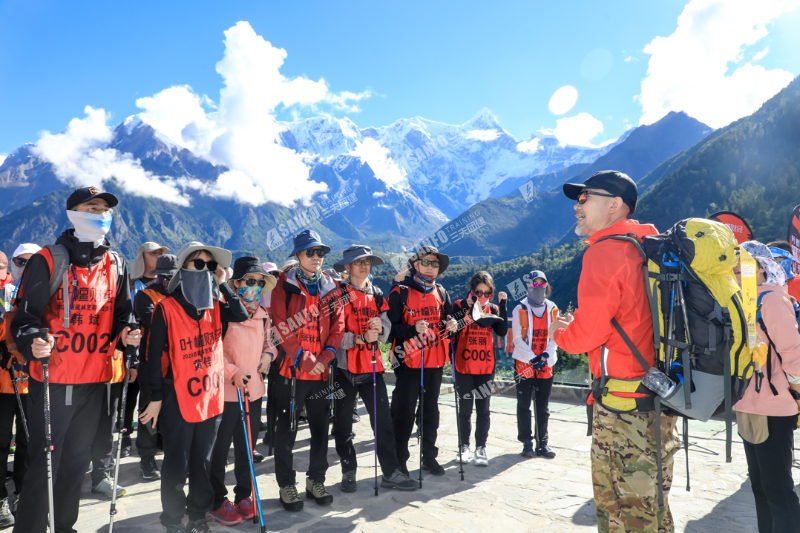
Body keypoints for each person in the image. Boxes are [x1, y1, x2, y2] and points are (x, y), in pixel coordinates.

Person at [549, 171, 678, 533]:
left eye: (585, 197)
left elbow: (586, 335)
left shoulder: (605, 251)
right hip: (659, 398)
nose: (578, 205)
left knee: (622, 511)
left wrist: (561, 333)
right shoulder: (646, 244)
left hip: (623, 409)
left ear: (614, 205)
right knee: (654, 506)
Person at [10, 186, 141, 533]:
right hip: (56, 380)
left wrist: (129, 335)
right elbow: (24, 319)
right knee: (44, 465)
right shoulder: (48, 260)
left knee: (76, 463)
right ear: (72, 213)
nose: (100, 213)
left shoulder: (116, 263)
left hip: (95, 381)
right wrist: (33, 342)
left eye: (105, 209)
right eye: (92, 206)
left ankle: (65, 527)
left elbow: (123, 316)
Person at [138, 242, 248, 533]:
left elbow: (241, 315)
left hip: (211, 397)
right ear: (183, 268)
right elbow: (152, 358)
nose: (205, 270)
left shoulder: (215, 305)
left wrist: (222, 284)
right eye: (198, 264)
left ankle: (198, 515)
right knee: (177, 462)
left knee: (203, 460)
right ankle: (172, 519)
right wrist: (156, 398)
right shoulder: (166, 308)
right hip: (178, 398)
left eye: (210, 266)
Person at [331, 245, 416, 492]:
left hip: (372, 367)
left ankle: (390, 472)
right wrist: (359, 338)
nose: (364, 266)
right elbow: (333, 335)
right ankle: (349, 471)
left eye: (367, 261)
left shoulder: (378, 294)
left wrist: (380, 330)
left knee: (383, 423)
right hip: (344, 369)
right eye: (358, 262)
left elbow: (386, 328)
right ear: (347, 266)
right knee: (343, 424)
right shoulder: (337, 294)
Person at [269, 230, 344, 512]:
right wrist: (303, 356)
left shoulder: (331, 287)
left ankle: (316, 480)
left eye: (320, 253)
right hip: (292, 371)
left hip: (323, 372)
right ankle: (286, 484)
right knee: (287, 431)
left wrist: (326, 356)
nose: (316, 257)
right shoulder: (283, 285)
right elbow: (280, 324)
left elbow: (338, 327)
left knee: (320, 428)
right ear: (298, 256)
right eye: (310, 252)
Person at [732, 241, 800, 532]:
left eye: (742, 268)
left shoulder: (770, 299)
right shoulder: (740, 299)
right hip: (747, 403)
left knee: (777, 488)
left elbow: (792, 351)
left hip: (773, 406)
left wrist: (797, 391)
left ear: (761, 269)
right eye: (732, 269)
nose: (736, 274)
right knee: (760, 485)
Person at [207, 257, 277, 526]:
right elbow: (212, 348)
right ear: (235, 283)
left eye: (260, 283)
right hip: (226, 392)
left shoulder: (263, 314)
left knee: (247, 448)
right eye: (250, 281)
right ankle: (217, 499)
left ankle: (244, 496)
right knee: (220, 449)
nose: (255, 287)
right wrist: (231, 371)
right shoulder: (222, 310)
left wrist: (269, 356)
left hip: (254, 391)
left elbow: (271, 343)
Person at [388, 246, 457, 477]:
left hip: (435, 362)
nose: (430, 267)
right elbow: (389, 331)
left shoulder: (442, 292)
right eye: (425, 262)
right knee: (404, 413)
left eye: (434, 264)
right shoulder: (401, 291)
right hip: (408, 363)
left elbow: (448, 321)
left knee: (430, 414)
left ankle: (429, 457)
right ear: (415, 265)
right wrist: (411, 329)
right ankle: (400, 461)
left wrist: (452, 326)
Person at [450, 270, 507, 466]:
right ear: (471, 291)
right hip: (463, 366)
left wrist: (502, 306)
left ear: (491, 293)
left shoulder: (492, 308)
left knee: (483, 410)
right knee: (465, 409)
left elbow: (501, 330)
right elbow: (449, 330)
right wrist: (464, 312)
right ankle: (463, 446)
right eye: (478, 293)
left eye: (486, 293)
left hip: (485, 366)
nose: (482, 297)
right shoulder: (459, 305)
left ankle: (480, 448)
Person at [121, 242, 169, 457]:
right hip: (135, 349)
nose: (159, 255)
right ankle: (124, 436)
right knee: (131, 399)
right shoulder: (132, 285)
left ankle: (157, 441)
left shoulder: (174, 292)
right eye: (154, 252)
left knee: (153, 403)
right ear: (142, 256)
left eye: (162, 253)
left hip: (160, 355)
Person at [133, 254, 177, 481]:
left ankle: (172, 454)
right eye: (167, 276)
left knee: (173, 413)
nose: (170, 280)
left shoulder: (183, 295)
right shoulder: (144, 296)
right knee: (149, 410)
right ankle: (147, 459)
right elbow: (161, 326)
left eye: (174, 276)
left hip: (179, 364)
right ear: (158, 276)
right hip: (152, 363)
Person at [511, 270, 558, 459]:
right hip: (525, 363)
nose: (539, 288)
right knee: (524, 405)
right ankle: (527, 442)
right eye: (535, 284)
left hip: (546, 363)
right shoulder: (519, 309)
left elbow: (556, 336)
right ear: (528, 285)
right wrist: (532, 358)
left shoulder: (553, 308)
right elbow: (517, 339)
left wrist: (545, 355)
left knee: (543, 406)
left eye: (542, 284)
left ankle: (543, 443)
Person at [767, 241, 800, 307]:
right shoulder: (759, 284)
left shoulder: (798, 283)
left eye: (775, 257)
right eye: (767, 258)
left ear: (789, 259)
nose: (770, 261)